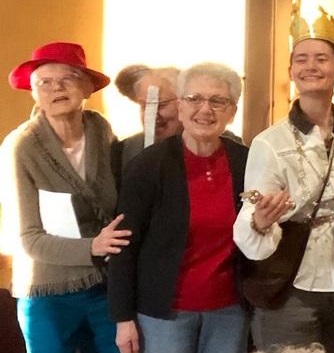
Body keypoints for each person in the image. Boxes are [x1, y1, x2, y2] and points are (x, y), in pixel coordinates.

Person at [234, 7, 334, 353]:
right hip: (291, 283)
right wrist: (260, 221)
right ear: (291, 71)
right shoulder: (270, 142)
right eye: (301, 59)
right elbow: (250, 215)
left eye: (322, 58)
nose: (311, 67)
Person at [109, 62, 250, 353]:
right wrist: (123, 318)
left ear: (232, 111)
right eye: (194, 99)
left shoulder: (245, 162)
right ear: (180, 107)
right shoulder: (148, 165)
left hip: (229, 312)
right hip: (163, 313)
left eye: (218, 101)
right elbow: (123, 245)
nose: (205, 109)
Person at [1, 42, 130, 353]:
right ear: (33, 93)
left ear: (86, 87)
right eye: (44, 82)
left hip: (104, 286)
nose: (56, 88)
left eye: (68, 78)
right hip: (47, 293)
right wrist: (93, 246)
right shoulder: (20, 147)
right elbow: (27, 239)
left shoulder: (100, 130)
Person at [112, 64, 183, 170]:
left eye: (161, 105)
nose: (151, 115)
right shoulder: (124, 151)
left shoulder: (208, 147)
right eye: (144, 106)